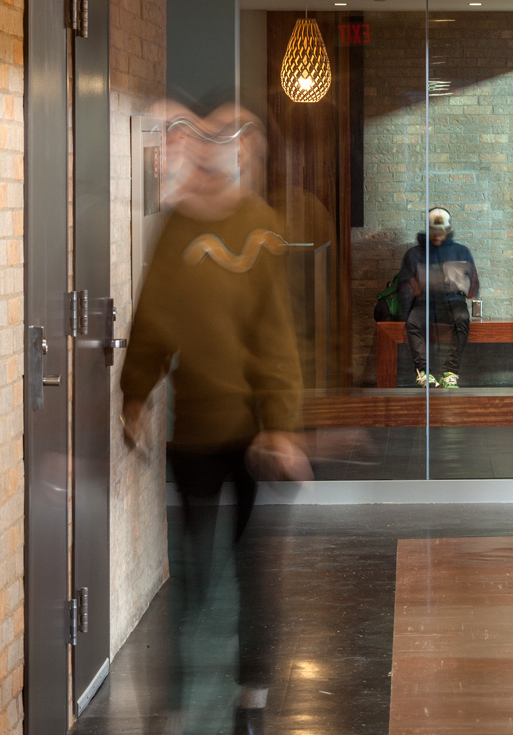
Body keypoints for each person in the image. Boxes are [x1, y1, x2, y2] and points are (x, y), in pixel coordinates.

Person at [121, 101, 310, 735]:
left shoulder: (262, 225)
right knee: (193, 578)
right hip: (196, 433)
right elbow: (153, 321)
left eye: (238, 140)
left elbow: (276, 333)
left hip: (259, 434)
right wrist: (133, 394)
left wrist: (281, 422)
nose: (223, 151)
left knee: (258, 572)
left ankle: (252, 695)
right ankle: (173, 707)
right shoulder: (176, 229)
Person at [397, 206, 479, 387]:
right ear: (428, 230)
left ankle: (450, 372)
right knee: (413, 323)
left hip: (453, 301)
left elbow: (473, 283)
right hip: (424, 302)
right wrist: (411, 290)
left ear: (448, 231)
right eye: (433, 232)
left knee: (462, 319)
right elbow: (403, 284)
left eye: (441, 232)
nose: (437, 237)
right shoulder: (414, 254)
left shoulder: (461, 251)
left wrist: (468, 289)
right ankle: (424, 372)